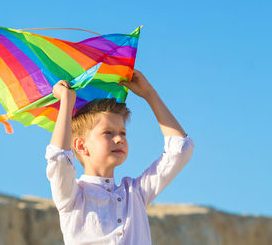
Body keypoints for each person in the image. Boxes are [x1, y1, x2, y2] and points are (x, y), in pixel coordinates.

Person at [46, 69, 194, 244]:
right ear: (81, 146)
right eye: (108, 133)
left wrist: (149, 94)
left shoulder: (134, 193)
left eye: (123, 133)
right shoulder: (72, 196)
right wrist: (66, 102)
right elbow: (59, 159)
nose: (119, 139)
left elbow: (180, 149)